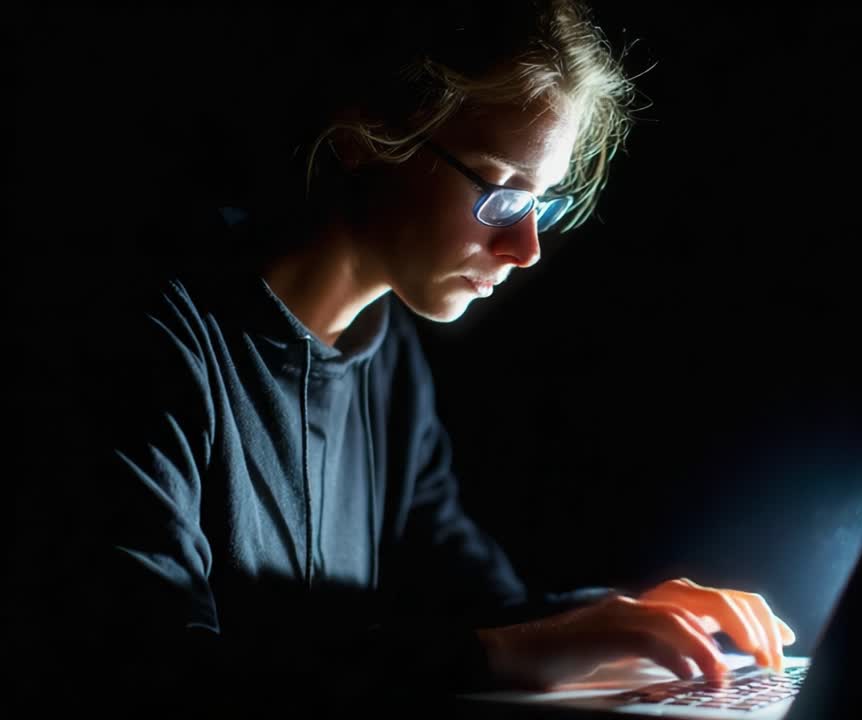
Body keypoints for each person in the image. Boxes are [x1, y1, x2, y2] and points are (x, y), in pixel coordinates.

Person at [52, 0, 795, 708]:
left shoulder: (388, 357)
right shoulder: (151, 337)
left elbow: (480, 606)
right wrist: (505, 657)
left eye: (543, 202)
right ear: (364, 134)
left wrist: (629, 616)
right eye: (502, 194)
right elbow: (150, 675)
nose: (526, 248)